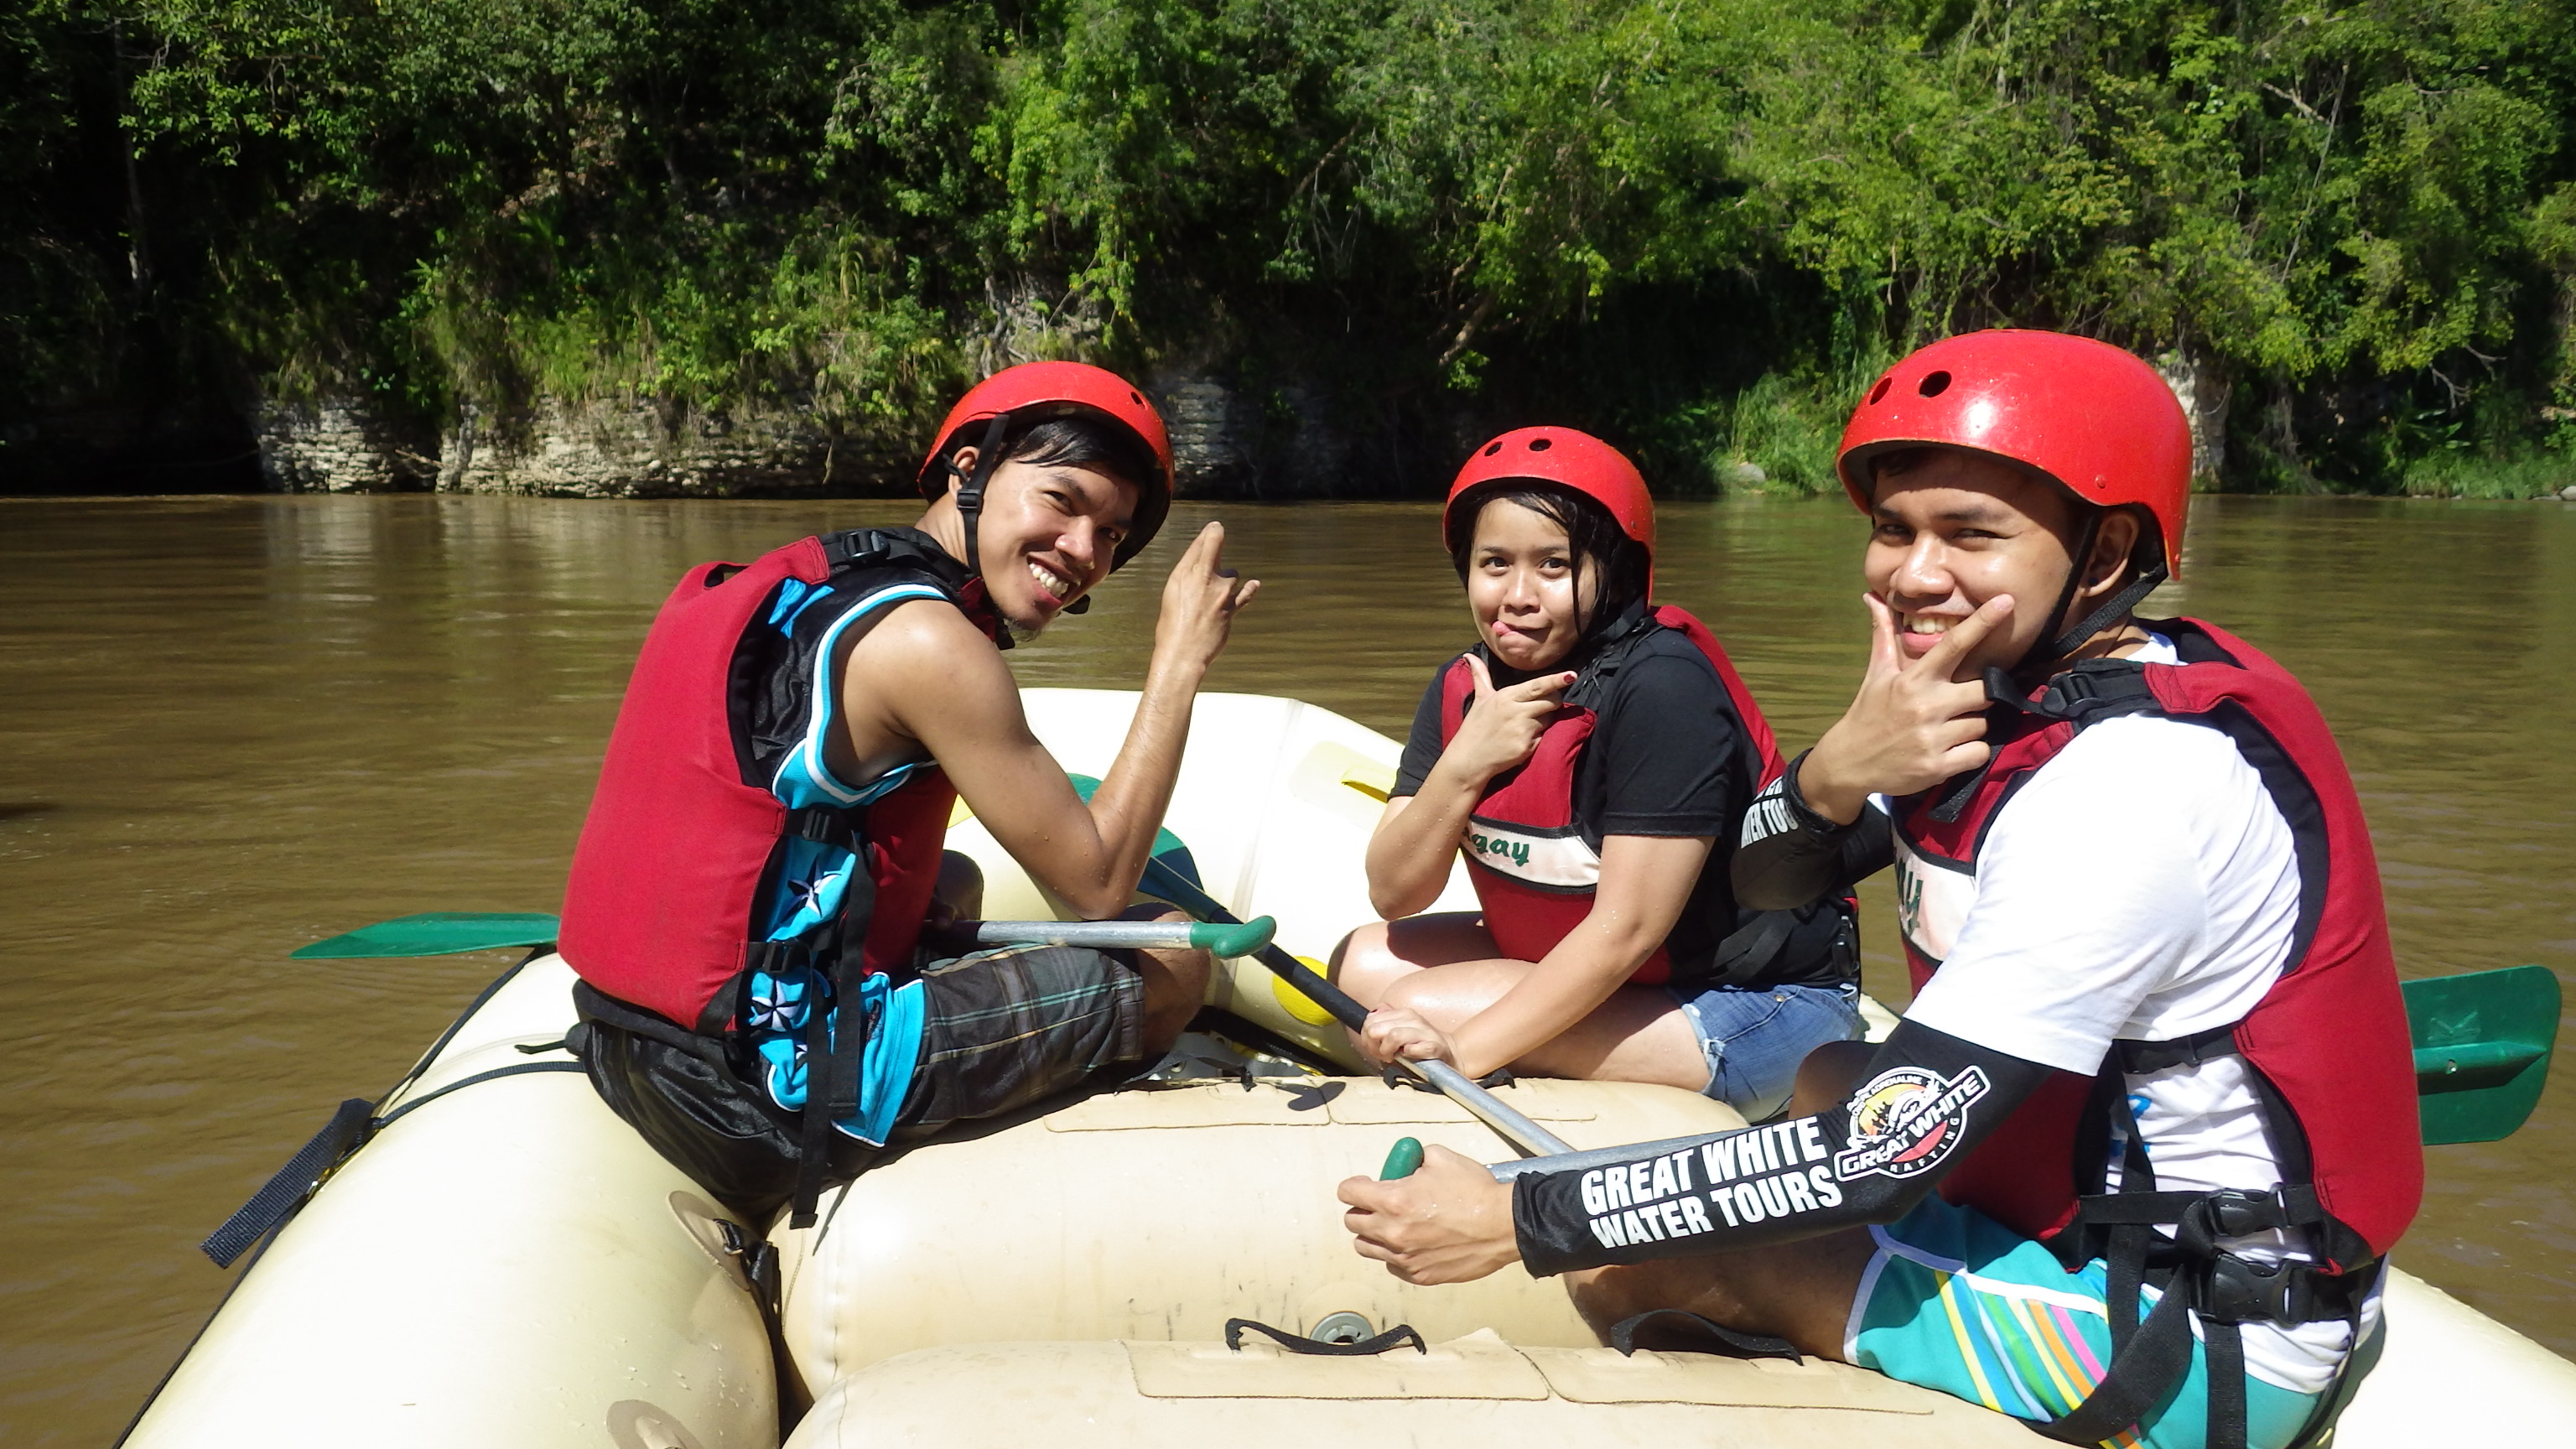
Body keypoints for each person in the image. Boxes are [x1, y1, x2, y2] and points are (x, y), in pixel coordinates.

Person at [1336, 332, 2420, 1449]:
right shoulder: (2014, 705)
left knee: (1620, 1254)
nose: (1913, 575)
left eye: (1972, 535)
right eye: (1895, 530)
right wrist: (1832, 775)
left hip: (2181, 1332)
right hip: (2103, 1224)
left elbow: (1875, 1152)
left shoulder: (2130, 782)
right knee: (1826, 1069)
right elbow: (1767, 883)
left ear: (2105, 553)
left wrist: (1521, 1214)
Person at [558, 361, 1259, 1228]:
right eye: (1063, 502)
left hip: (629, 1038)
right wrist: (1178, 662)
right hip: (758, 1101)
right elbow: (1099, 883)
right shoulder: (932, 642)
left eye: (1113, 535)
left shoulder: (819, 586)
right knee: (1171, 957)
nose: (1085, 552)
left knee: (950, 879)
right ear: (969, 468)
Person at [1333, 426, 1860, 1119]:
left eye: (1554, 566)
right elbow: (1395, 892)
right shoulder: (1466, 689)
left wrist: (1464, 1051)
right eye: (1494, 564)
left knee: (1408, 1009)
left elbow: (1628, 931)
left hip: (1757, 1007)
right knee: (1358, 969)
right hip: (1624, 977)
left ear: (1611, 570)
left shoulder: (1664, 688)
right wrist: (1466, 763)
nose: (1517, 596)